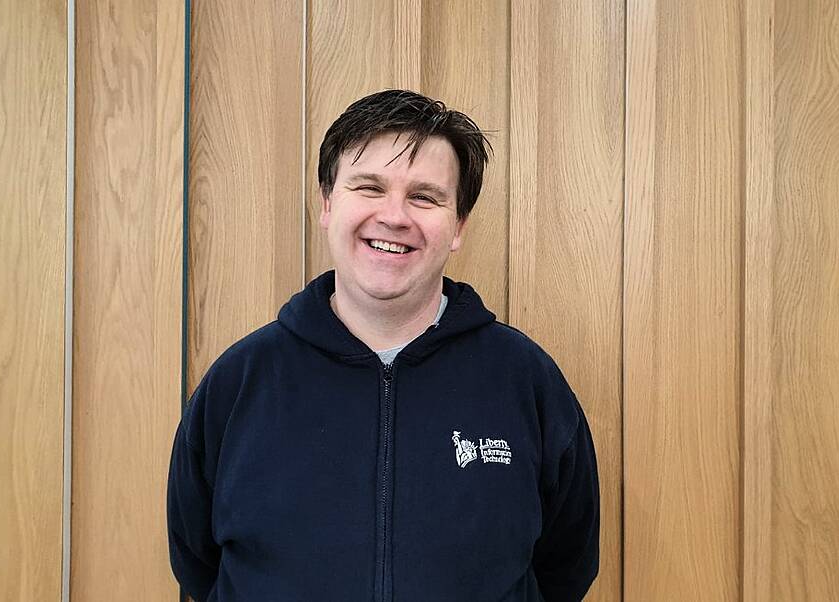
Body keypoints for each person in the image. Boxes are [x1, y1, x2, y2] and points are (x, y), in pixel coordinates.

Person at [167, 89, 600, 601]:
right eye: (369, 187)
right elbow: (197, 562)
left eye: (425, 196)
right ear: (329, 203)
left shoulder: (525, 381)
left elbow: (565, 567)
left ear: (458, 225)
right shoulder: (240, 381)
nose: (394, 216)